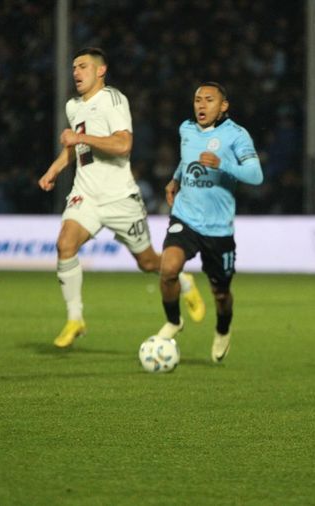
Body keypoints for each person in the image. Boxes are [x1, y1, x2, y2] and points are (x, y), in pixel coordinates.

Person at [38, 47, 205, 348]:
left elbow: (123, 144)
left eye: (83, 66)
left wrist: (79, 138)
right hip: (85, 194)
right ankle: (75, 318)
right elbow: (74, 147)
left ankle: (183, 281)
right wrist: (54, 170)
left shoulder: (113, 100)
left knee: (148, 262)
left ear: (101, 71)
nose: (76, 72)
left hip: (120, 198)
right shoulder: (73, 107)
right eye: (74, 67)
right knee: (65, 244)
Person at [157, 82, 263, 363]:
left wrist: (222, 165)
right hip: (186, 217)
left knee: (221, 293)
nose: (201, 105)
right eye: (197, 100)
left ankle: (223, 329)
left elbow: (256, 175)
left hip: (218, 229)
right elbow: (186, 158)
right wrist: (176, 178)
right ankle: (174, 321)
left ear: (223, 105)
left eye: (209, 100)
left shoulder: (236, 135)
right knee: (168, 269)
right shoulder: (186, 129)